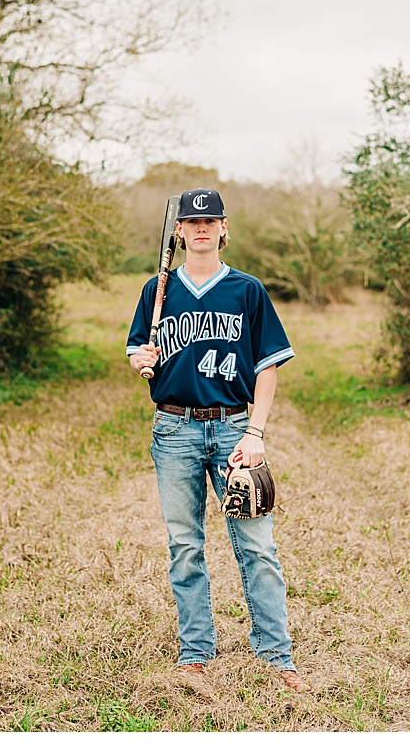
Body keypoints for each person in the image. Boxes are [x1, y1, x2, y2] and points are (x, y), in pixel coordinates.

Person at [127, 188, 310, 694]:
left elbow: (268, 366)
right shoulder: (157, 290)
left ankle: (276, 656)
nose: (202, 228)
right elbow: (138, 350)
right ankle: (195, 653)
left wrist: (255, 433)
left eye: (210, 220)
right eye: (192, 221)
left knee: (258, 547)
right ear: (179, 232)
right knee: (185, 546)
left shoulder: (247, 291)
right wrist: (140, 361)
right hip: (174, 429)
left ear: (224, 228)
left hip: (233, 428)